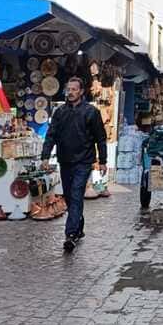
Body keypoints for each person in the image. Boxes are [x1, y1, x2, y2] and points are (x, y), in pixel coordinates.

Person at [41, 77, 107, 252]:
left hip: (84, 161)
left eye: (74, 89)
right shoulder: (60, 112)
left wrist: (103, 161)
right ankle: (78, 225)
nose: (70, 92)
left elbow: (100, 138)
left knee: (77, 194)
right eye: (68, 89)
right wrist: (45, 157)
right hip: (65, 160)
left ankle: (70, 235)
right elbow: (51, 135)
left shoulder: (91, 112)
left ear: (81, 91)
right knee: (70, 197)